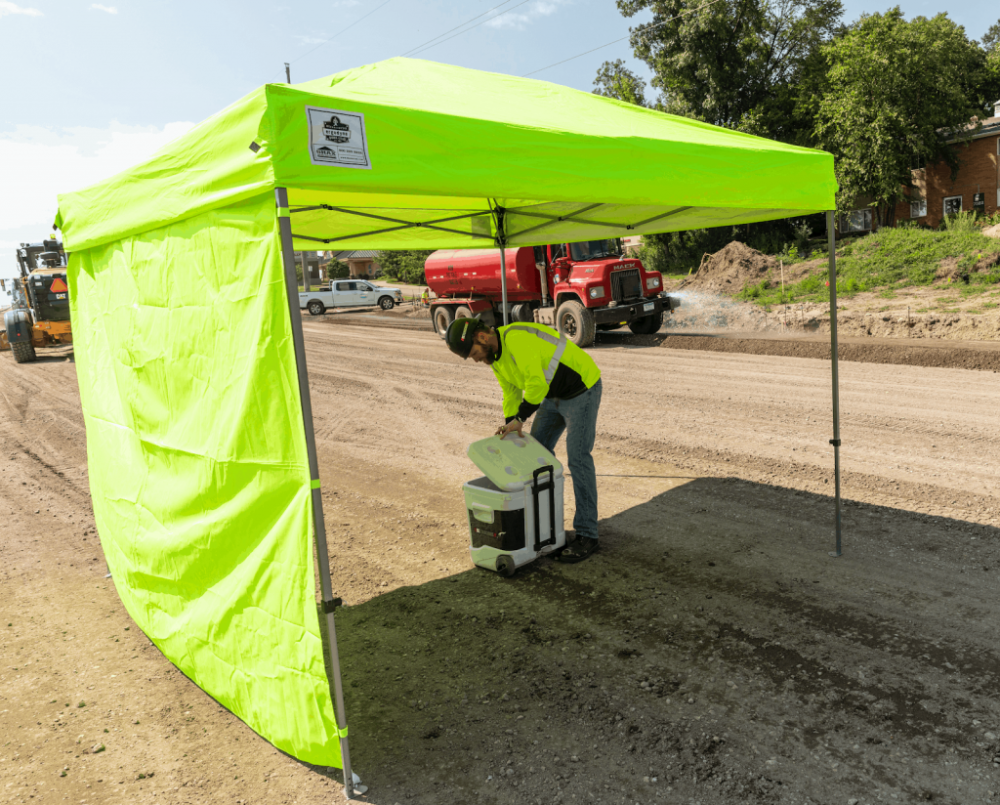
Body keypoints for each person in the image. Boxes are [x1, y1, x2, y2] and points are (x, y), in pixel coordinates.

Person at [445, 316, 602, 562]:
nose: (475, 359)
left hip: (580, 388)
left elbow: (535, 383)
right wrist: (511, 422)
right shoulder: (494, 357)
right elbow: (510, 391)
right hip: (552, 394)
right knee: (534, 461)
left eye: (473, 353)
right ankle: (542, 530)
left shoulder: (516, 340)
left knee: (578, 458)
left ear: (482, 337)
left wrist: (521, 418)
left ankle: (587, 535)